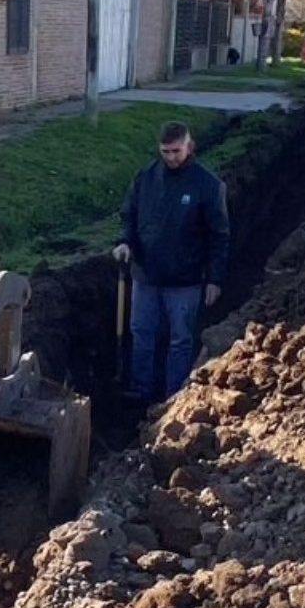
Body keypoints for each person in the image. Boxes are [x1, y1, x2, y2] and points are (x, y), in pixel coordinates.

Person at [113, 121, 230, 402]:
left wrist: (215, 278)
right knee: (142, 333)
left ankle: (173, 398)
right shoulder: (146, 178)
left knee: (180, 340)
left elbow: (219, 235)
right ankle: (140, 391)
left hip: (185, 279)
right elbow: (129, 215)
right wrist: (124, 242)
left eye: (176, 151)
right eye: (165, 152)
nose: (170, 157)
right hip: (146, 275)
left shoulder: (208, 185)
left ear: (189, 146)